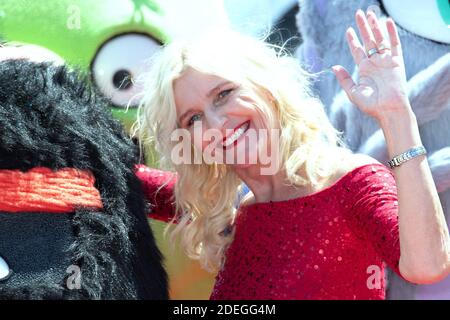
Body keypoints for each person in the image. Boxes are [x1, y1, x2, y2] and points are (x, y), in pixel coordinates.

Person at [134, 10, 450, 299]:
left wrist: (396, 115)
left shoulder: (349, 181)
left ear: (267, 87)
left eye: (224, 94)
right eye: (193, 119)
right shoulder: (226, 209)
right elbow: (126, 180)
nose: (216, 124)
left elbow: (426, 265)